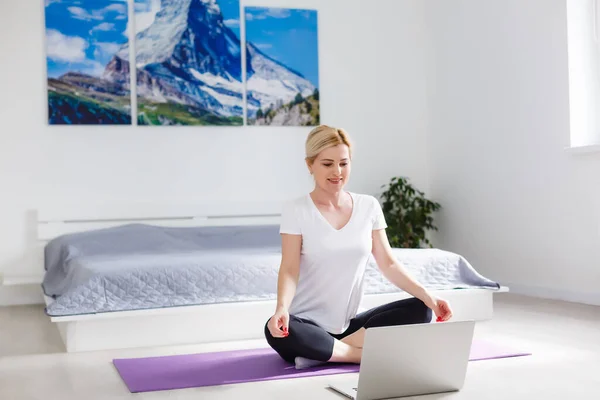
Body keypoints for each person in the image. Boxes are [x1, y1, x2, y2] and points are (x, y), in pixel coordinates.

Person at [264, 125, 453, 370]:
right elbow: (289, 268)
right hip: (305, 325)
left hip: (350, 326)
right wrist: (281, 309)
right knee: (274, 329)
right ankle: (359, 354)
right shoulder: (296, 210)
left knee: (420, 309)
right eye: (327, 164)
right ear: (310, 165)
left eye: (344, 163)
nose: (337, 172)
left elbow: (389, 263)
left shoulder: (369, 206)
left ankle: (328, 351)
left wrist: (429, 296)